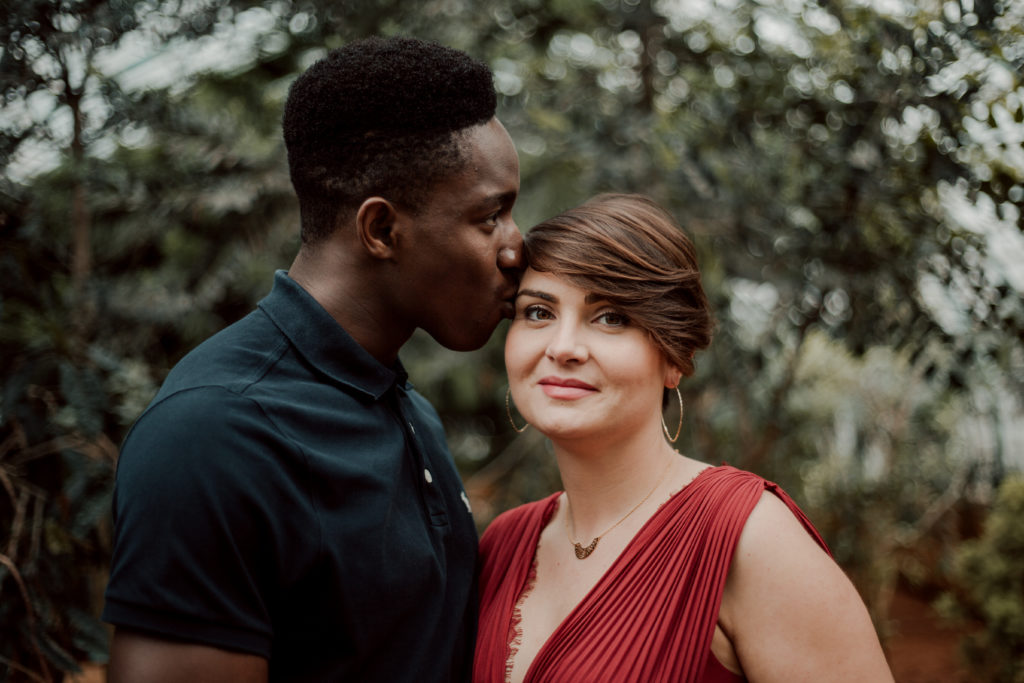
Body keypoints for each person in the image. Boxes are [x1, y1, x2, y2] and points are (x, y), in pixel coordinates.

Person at [103, 36, 522, 682]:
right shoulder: (215, 436)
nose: (515, 249)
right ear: (381, 230)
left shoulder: (411, 413)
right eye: (490, 217)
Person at [474, 194, 894, 682]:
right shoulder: (502, 545)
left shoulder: (749, 538)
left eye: (611, 317)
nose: (562, 347)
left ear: (674, 356)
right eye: (539, 312)